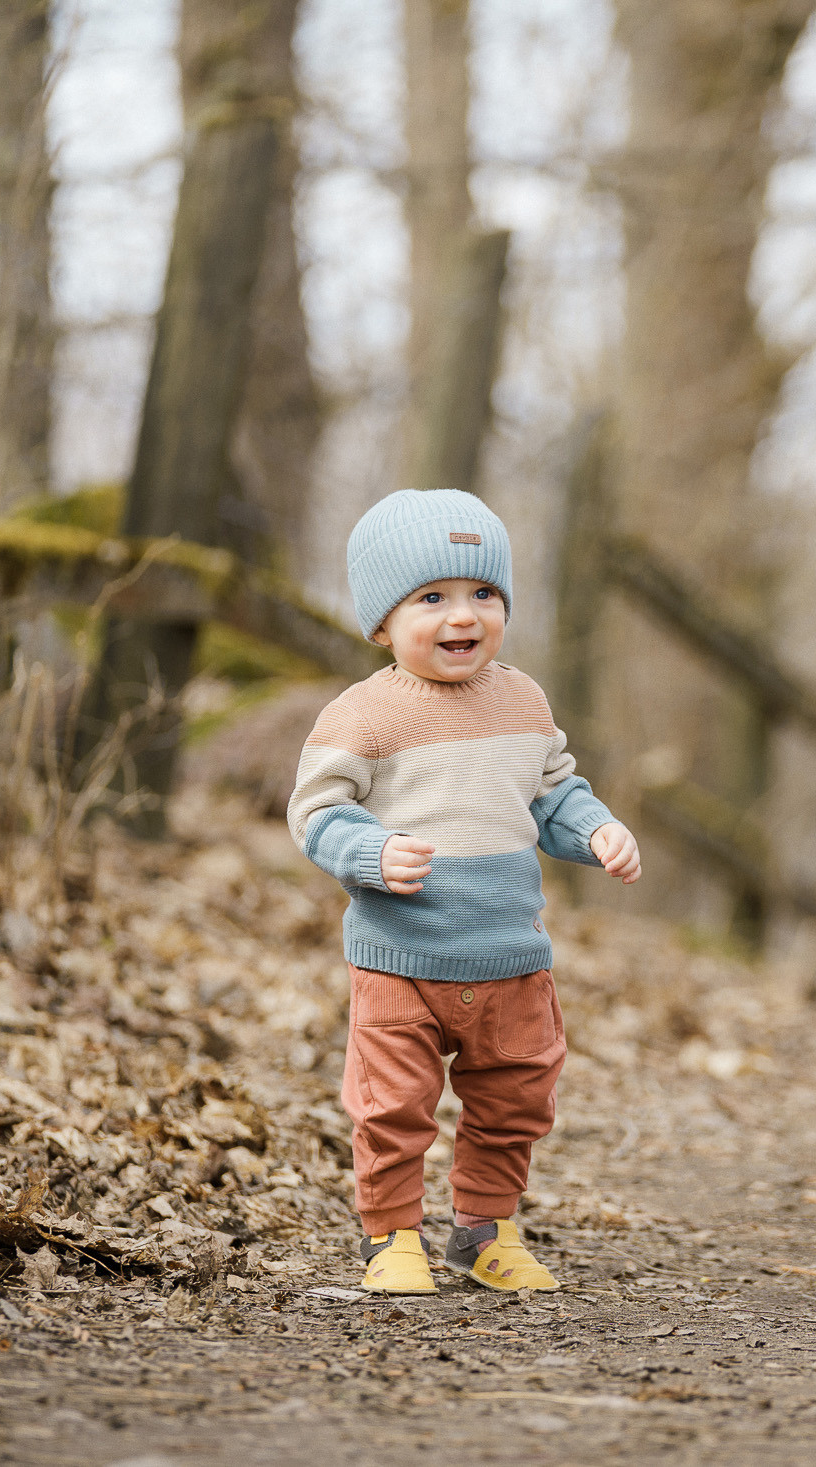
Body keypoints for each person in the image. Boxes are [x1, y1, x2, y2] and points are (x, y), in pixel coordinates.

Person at [288, 488, 641, 1294]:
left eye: (484, 594)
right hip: (401, 956)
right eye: (433, 598)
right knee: (393, 1107)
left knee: (515, 1099)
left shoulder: (524, 700)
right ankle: (393, 1236)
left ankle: (484, 1230)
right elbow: (315, 813)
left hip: (510, 954)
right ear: (381, 622)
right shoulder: (363, 715)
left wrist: (596, 829)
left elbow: (553, 793)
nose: (464, 615)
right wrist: (371, 852)